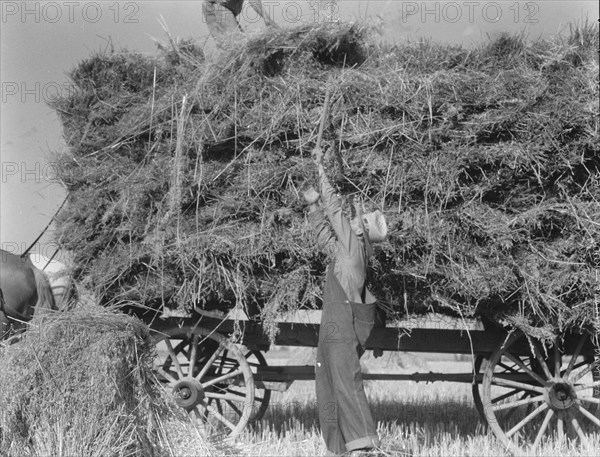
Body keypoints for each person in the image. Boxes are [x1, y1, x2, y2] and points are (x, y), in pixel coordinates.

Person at [303, 147, 388, 456]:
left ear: (361, 232)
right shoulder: (345, 252)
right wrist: (313, 207)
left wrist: (322, 170)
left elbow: (336, 213)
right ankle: (344, 446)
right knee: (330, 386)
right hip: (333, 331)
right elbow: (325, 237)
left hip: (340, 333)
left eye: (358, 221)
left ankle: (366, 443)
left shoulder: (354, 250)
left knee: (346, 384)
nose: (353, 220)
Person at [202, 0, 277, 44]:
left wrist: (267, 19)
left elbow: (254, 2)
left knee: (243, 44)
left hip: (226, 10)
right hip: (215, 7)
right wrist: (267, 20)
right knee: (236, 46)